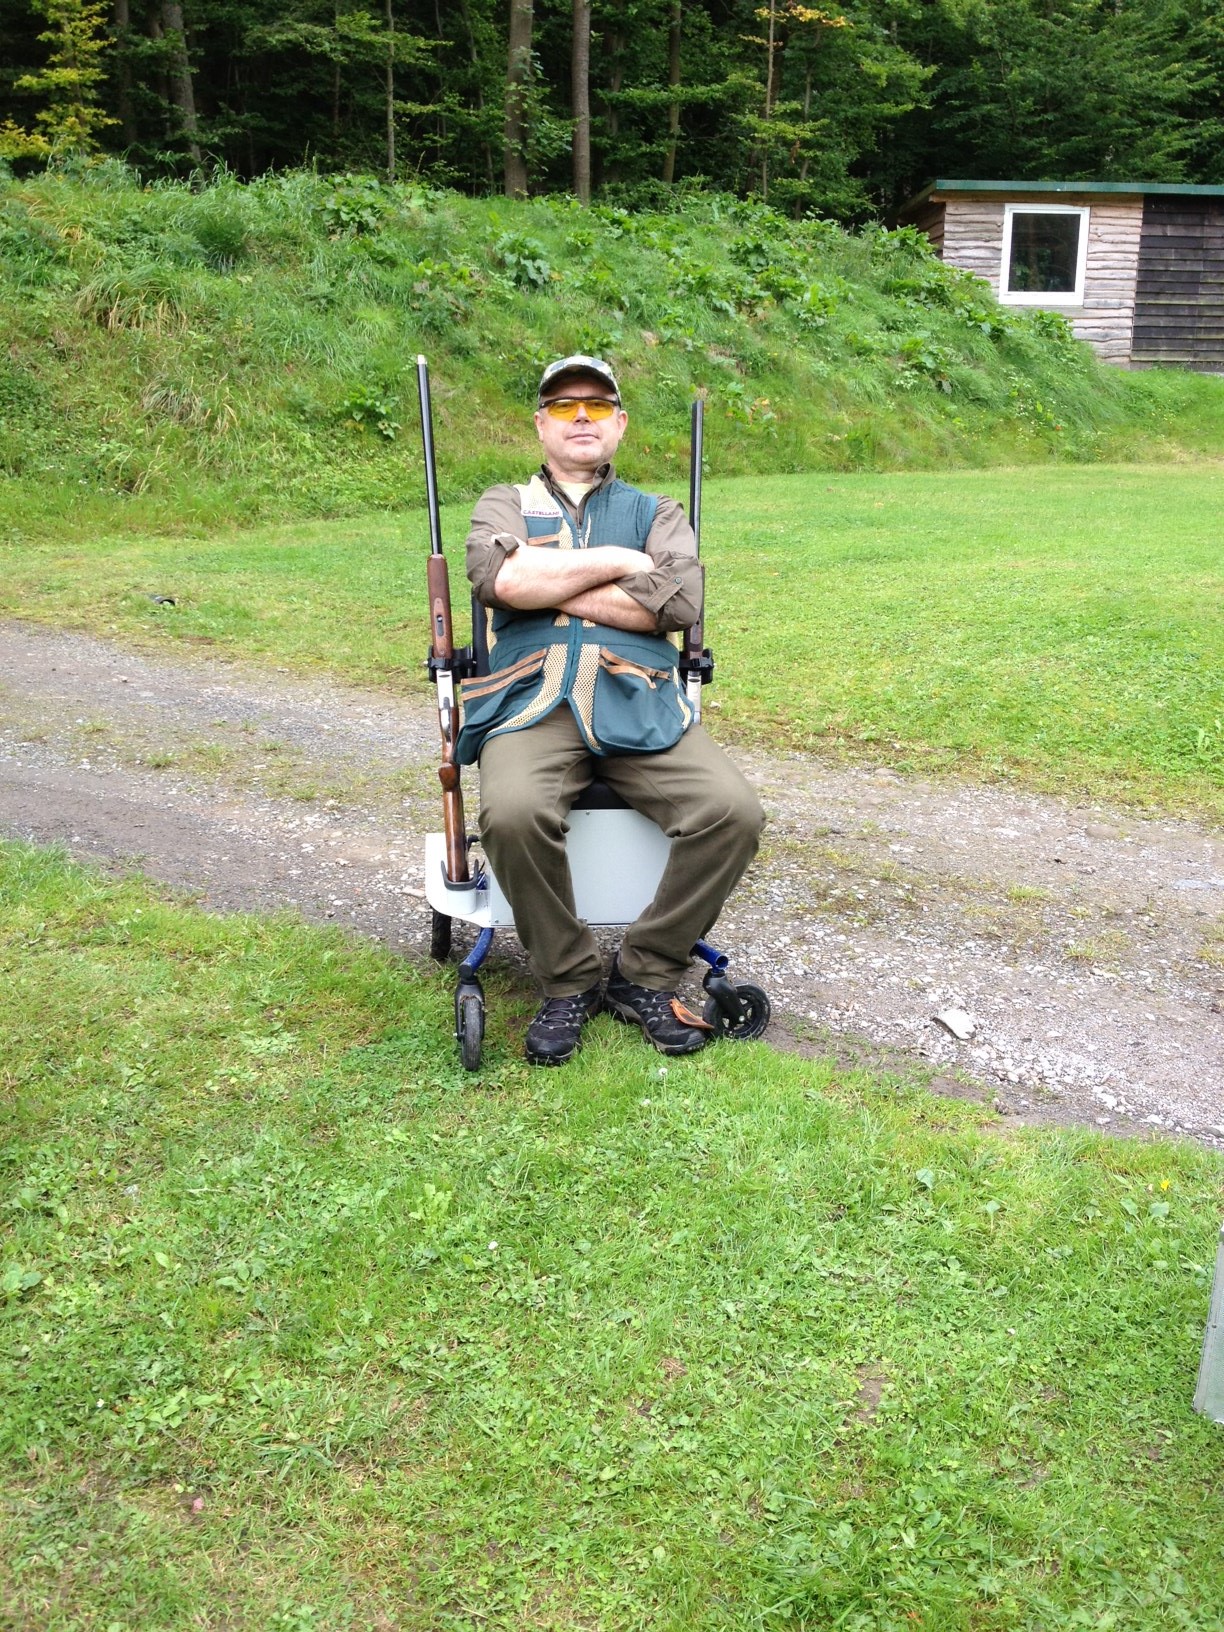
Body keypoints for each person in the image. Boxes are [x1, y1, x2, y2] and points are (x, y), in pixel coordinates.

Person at [458, 355, 764, 1065]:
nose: (581, 417)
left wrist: (544, 582)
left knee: (732, 812)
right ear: (541, 425)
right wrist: (626, 563)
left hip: (641, 700)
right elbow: (497, 579)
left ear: (619, 424)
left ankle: (645, 971)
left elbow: (678, 604)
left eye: (597, 406)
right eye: (563, 406)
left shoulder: (659, 512)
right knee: (512, 813)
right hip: (530, 700)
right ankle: (568, 979)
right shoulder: (504, 502)